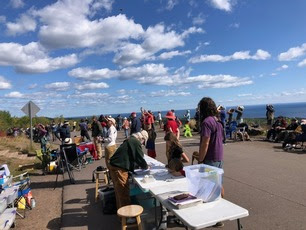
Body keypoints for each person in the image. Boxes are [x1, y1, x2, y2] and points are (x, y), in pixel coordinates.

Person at [198, 97, 224, 228]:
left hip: (210, 158)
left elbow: (205, 142)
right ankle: (221, 212)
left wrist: (201, 159)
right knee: (218, 185)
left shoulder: (206, 122)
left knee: (210, 188)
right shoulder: (217, 120)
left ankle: (216, 216)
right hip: (219, 157)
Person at [109, 130, 149, 210]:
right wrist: (146, 166)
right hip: (119, 168)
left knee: (119, 192)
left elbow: (131, 155)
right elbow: (139, 157)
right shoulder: (135, 142)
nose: (142, 144)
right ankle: (127, 217)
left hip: (114, 165)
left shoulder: (131, 139)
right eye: (143, 142)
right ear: (142, 138)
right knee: (124, 193)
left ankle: (121, 215)